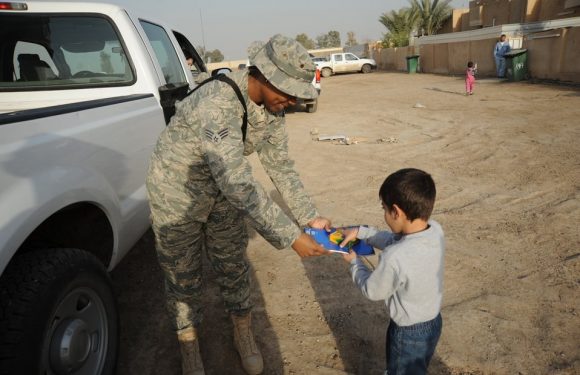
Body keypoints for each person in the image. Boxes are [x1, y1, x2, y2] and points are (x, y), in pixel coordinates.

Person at [146, 34, 331, 375]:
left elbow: (281, 166)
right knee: (182, 276)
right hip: (178, 194)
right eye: (286, 91)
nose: (290, 101)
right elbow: (239, 182)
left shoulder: (273, 109)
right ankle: (189, 346)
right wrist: (290, 236)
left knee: (232, 263)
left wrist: (309, 217)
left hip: (222, 193)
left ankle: (242, 331)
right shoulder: (217, 103)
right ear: (261, 75)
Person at [339, 168, 445, 375]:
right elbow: (396, 240)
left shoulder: (395, 256)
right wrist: (363, 232)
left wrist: (354, 262)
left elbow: (373, 290)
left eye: (385, 209)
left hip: (408, 333)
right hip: (433, 322)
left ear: (396, 211)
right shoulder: (434, 230)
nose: (385, 213)